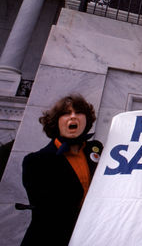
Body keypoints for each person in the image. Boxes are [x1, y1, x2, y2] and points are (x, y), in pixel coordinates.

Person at [21, 95, 103, 246]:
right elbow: (49, 214)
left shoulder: (97, 149)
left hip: (92, 236)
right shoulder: (36, 161)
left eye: (78, 112)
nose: (73, 116)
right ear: (56, 122)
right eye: (66, 113)